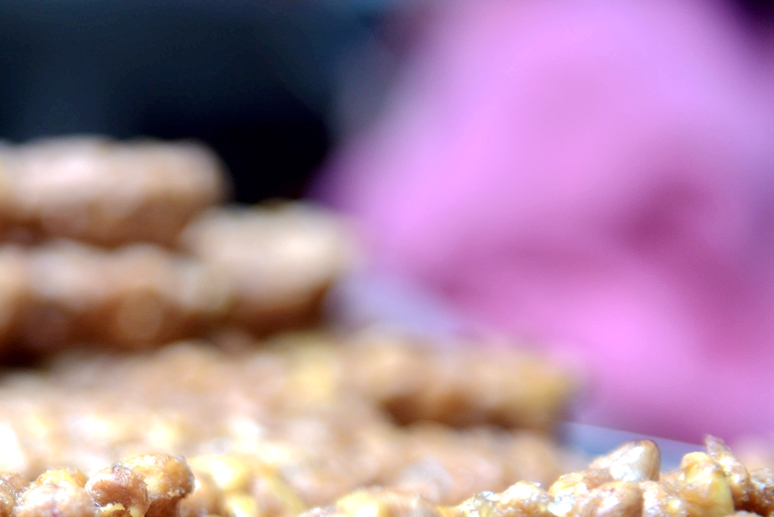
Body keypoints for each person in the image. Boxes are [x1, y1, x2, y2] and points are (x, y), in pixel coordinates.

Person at [325, 0, 774, 442]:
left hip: (594, 402)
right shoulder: (708, 40)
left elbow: (404, 234)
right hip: (710, 403)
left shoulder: (573, 36)